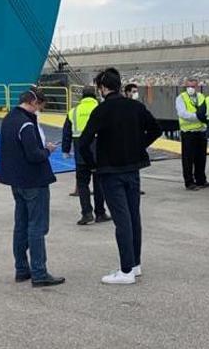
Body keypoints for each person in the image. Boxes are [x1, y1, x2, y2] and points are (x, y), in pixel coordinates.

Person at [79, 68, 162, 285]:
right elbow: (156, 129)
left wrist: (93, 164)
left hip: (110, 171)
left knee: (121, 220)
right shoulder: (135, 106)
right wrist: (138, 146)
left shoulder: (101, 110)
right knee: (134, 217)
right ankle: (135, 264)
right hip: (132, 169)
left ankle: (125, 271)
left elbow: (84, 142)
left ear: (103, 88)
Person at [0, 88, 65, 287]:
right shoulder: (27, 124)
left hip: (16, 181)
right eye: (40, 107)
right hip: (33, 181)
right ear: (33, 102)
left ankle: (21, 269)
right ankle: (39, 272)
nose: (40, 111)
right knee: (37, 226)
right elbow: (34, 155)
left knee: (21, 225)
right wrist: (47, 150)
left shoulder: (9, 119)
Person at [62, 87, 110, 225]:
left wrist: (65, 150)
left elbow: (66, 133)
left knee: (83, 184)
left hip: (81, 154)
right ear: (94, 96)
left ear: (82, 97)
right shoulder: (102, 108)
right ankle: (100, 213)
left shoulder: (73, 111)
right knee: (99, 184)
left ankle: (87, 214)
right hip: (99, 154)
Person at [175, 78, 209, 191]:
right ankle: (189, 182)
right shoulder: (181, 98)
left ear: (197, 86)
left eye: (193, 86)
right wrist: (197, 117)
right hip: (188, 132)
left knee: (201, 158)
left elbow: (207, 111)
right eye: (189, 86)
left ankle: (201, 179)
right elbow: (182, 113)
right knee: (188, 159)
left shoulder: (201, 97)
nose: (191, 88)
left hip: (201, 132)